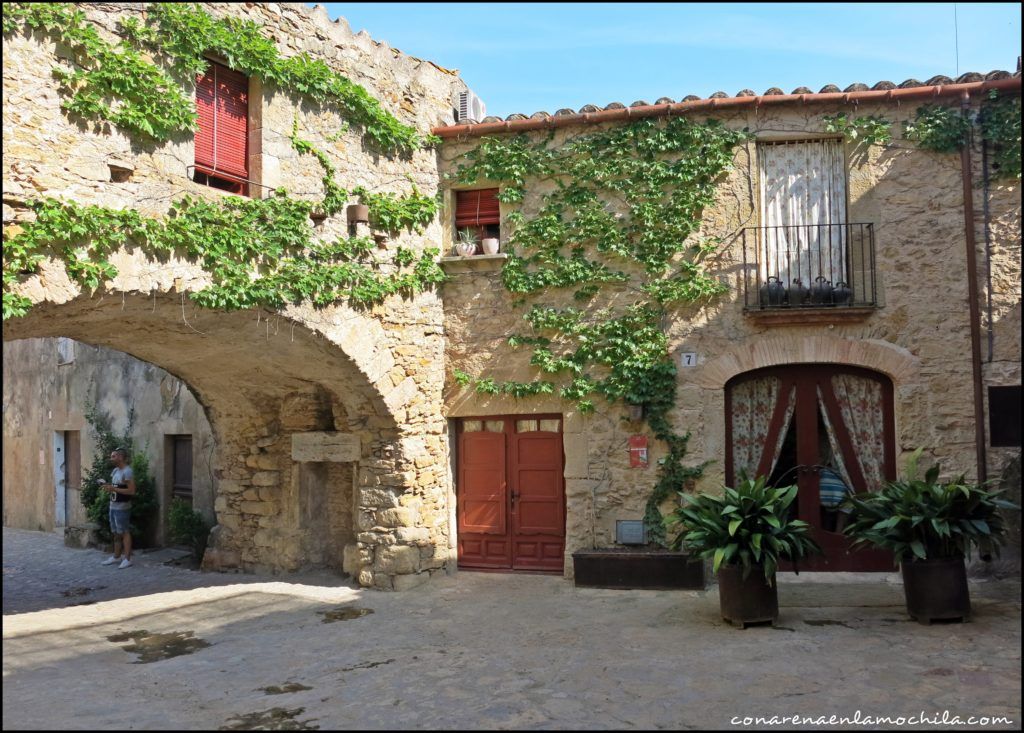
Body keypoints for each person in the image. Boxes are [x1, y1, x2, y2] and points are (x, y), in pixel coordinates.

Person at [100, 447, 136, 569]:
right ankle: (116, 556)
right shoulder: (115, 471)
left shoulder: (127, 472)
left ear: (120, 457)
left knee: (124, 532)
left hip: (122, 507)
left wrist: (114, 489)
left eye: (113, 456)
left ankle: (127, 559)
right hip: (113, 506)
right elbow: (115, 487)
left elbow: (131, 491)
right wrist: (108, 487)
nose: (111, 458)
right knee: (115, 532)